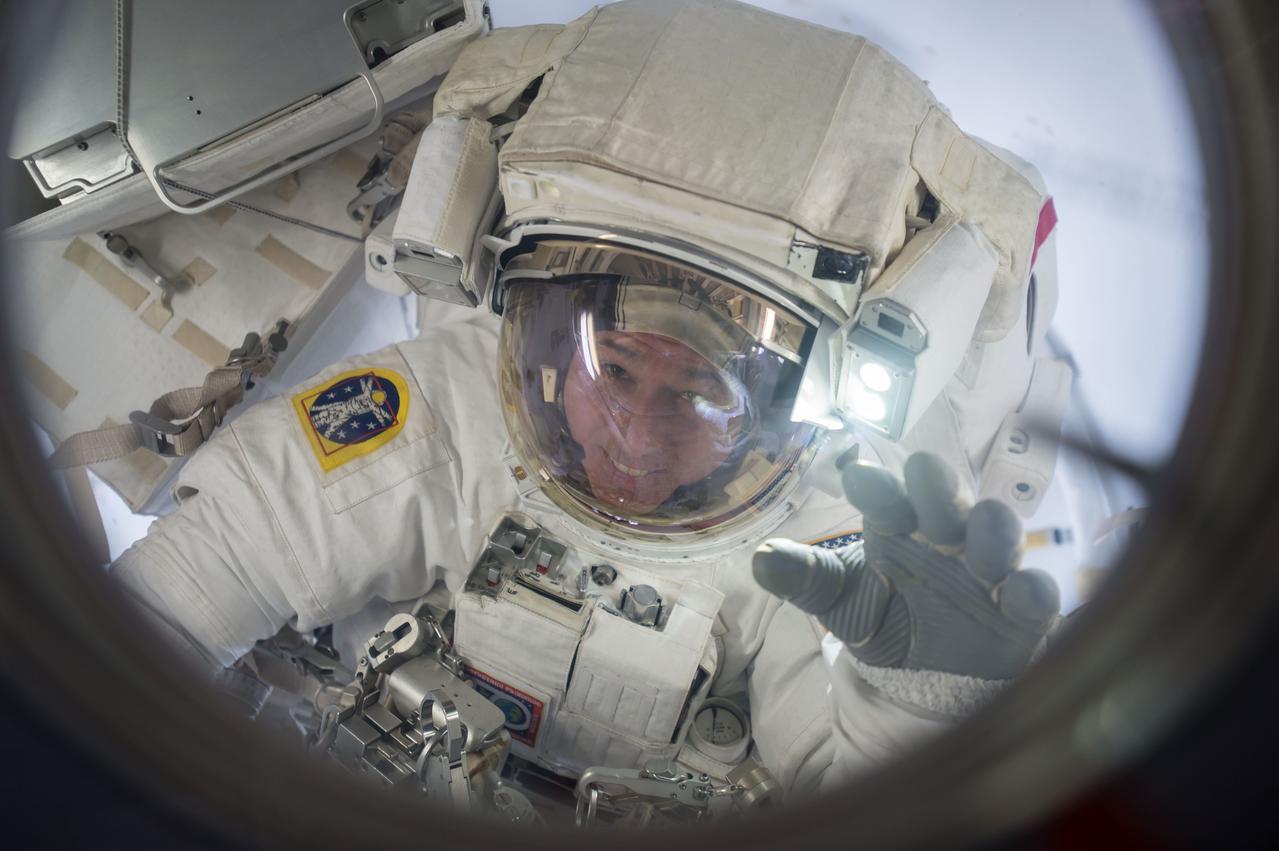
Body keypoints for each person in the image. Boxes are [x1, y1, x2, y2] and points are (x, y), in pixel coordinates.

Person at [106, 0, 1066, 822]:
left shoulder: (835, 530)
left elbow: (852, 796)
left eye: (700, 394)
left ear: (794, 408)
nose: (636, 439)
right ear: (547, 342)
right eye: (616, 369)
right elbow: (185, 594)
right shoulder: (445, 412)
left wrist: (922, 700)